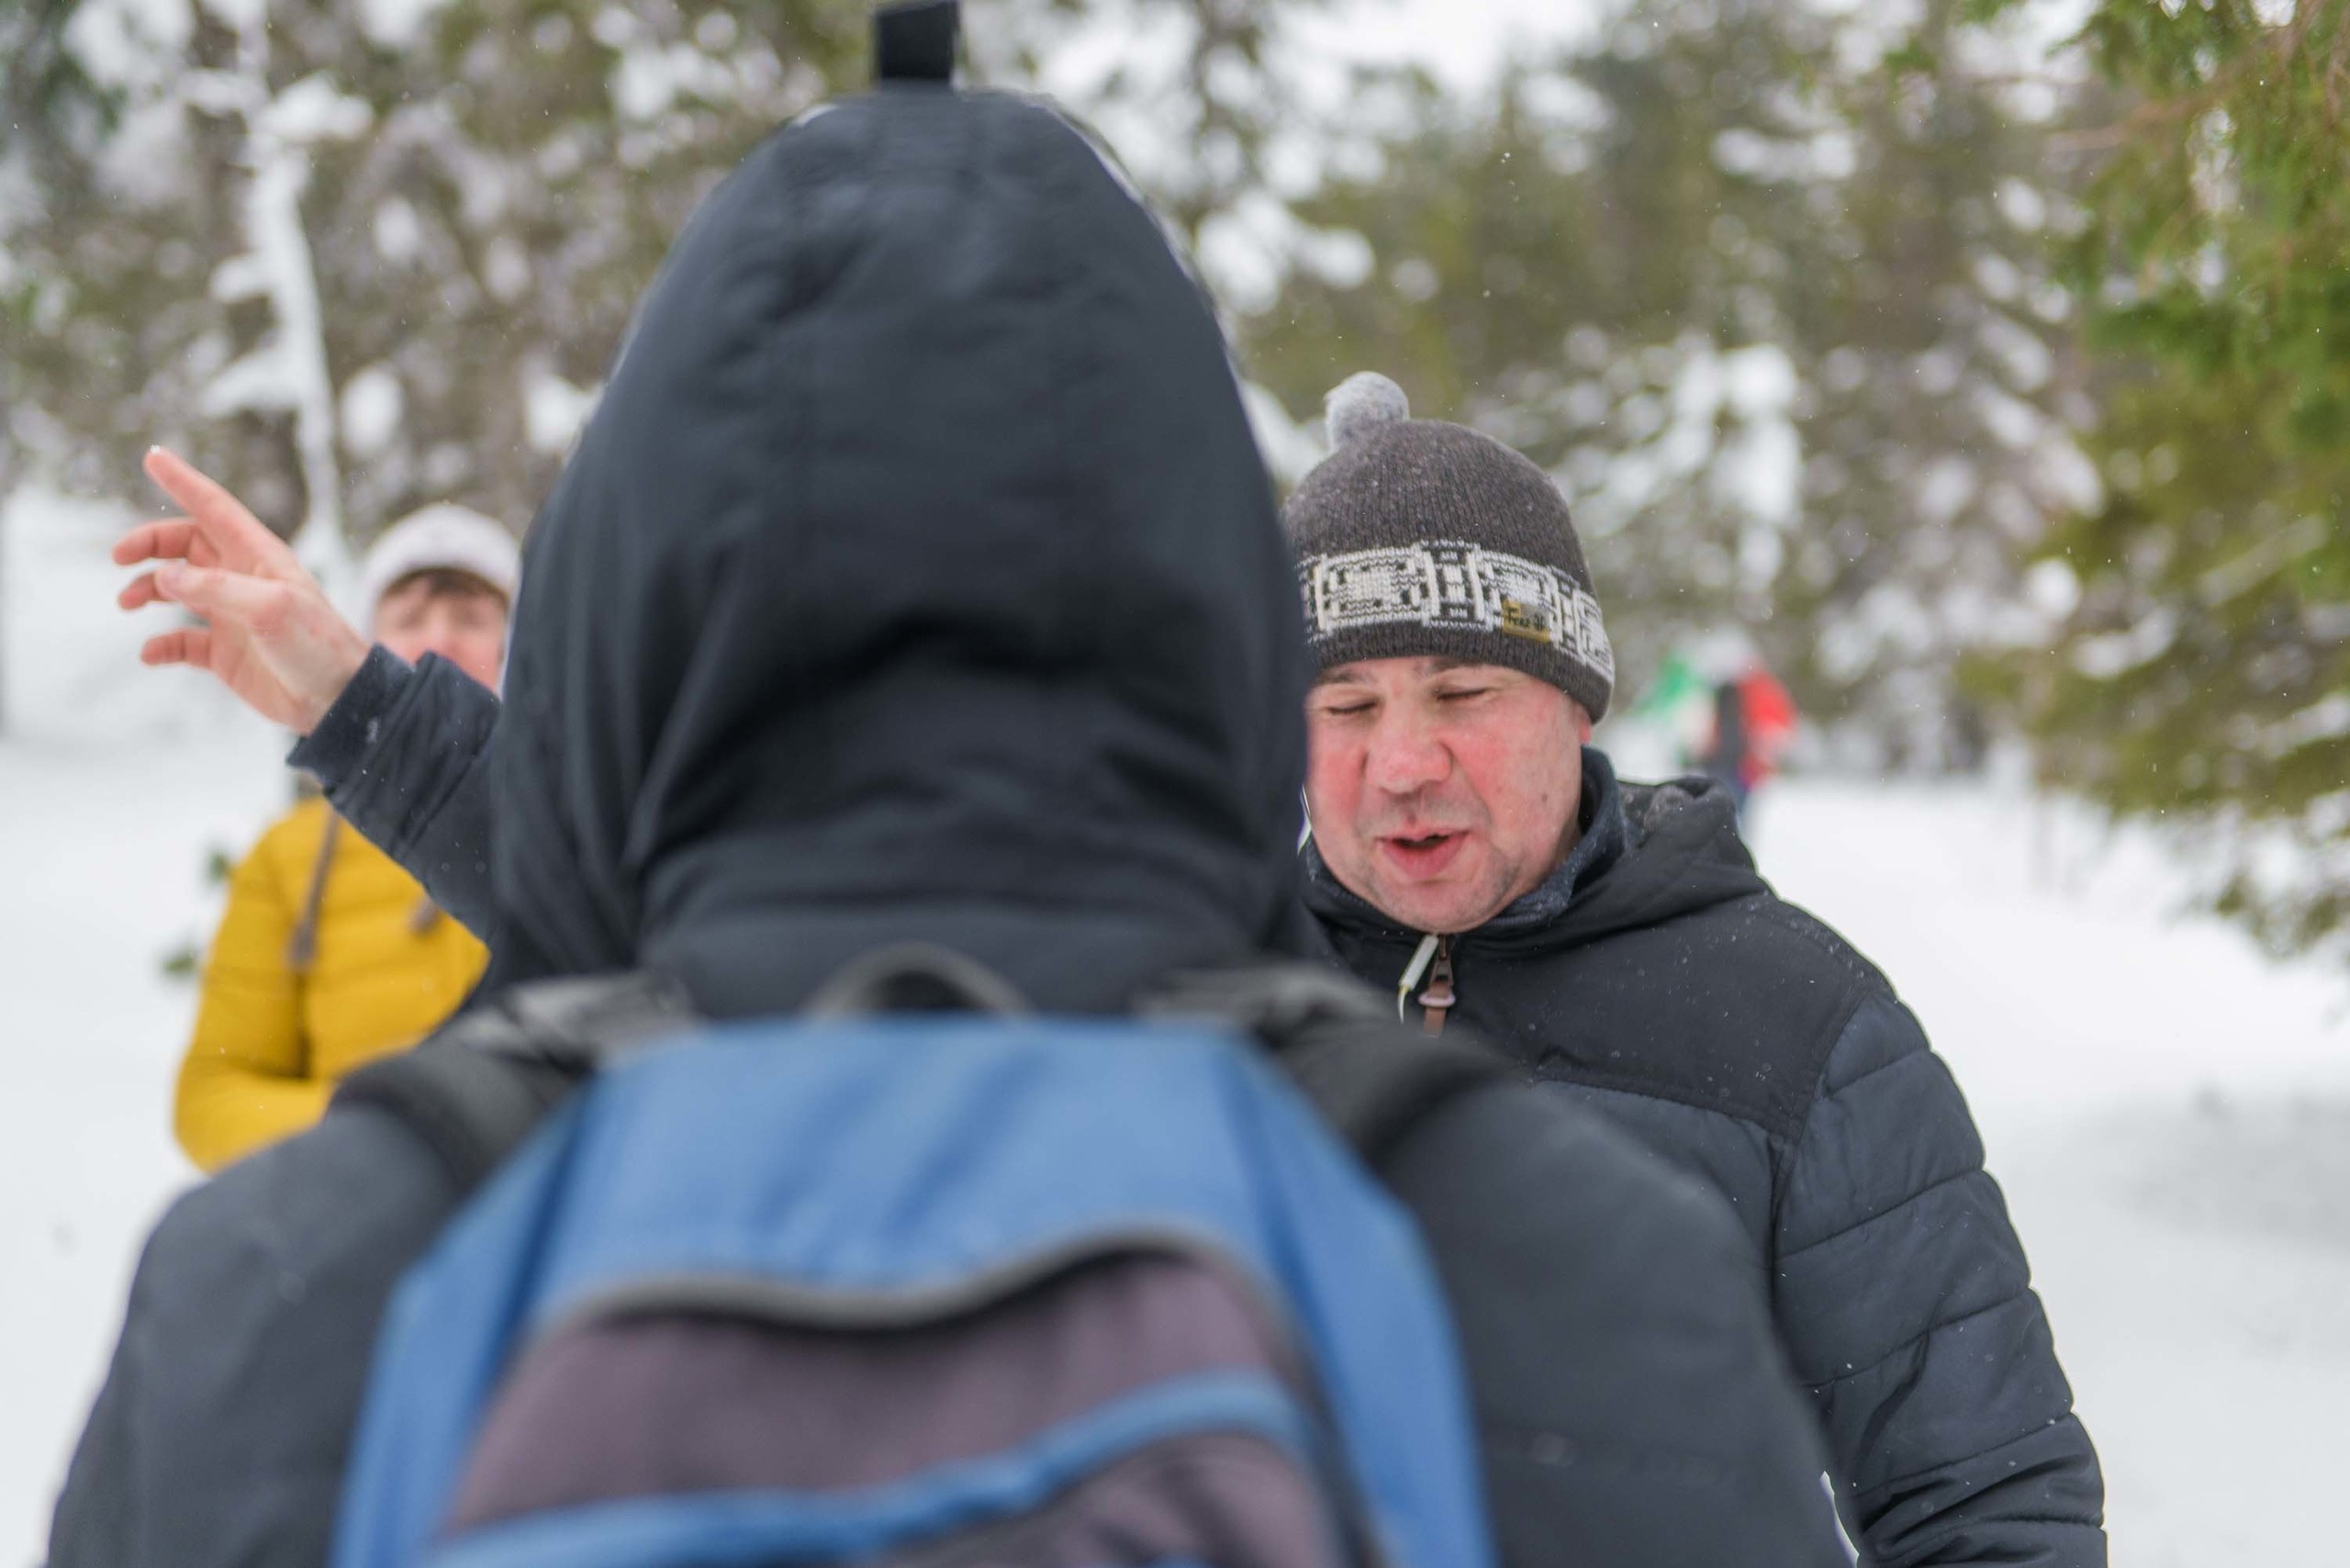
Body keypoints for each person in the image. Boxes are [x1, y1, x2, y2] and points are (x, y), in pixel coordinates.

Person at [52, 51, 1850, 1568]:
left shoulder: (290, 1294)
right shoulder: (1562, 1274)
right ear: (1217, 614)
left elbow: (606, 863)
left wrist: (367, 707)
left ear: (620, 612)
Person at [1289, 373, 2105, 1566]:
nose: (1403, 760)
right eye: (1344, 704)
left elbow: (1986, 1504)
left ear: (1577, 707)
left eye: (1463, 692)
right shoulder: (1190, 1011)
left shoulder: (1801, 1030)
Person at [171, 506, 517, 1171]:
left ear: (513, 644)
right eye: (409, 619)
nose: (438, 642)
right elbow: (210, 1097)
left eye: (471, 619)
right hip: (364, 1223)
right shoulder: (288, 858)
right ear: (362, 643)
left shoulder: (580, 825)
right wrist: (385, 1131)